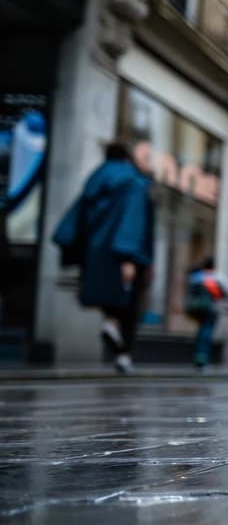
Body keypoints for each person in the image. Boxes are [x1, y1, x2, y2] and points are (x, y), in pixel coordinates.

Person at [53, 142, 155, 374]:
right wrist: (128, 256)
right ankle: (124, 354)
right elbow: (132, 217)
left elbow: (79, 217)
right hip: (124, 250)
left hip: (95, 251)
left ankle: (110, 323)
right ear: (127, 158)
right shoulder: (133, 182)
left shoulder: (95, 181)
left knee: (108, 296)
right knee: (129, 301)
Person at [185, 256, 228, 370]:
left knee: (201, 330)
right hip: (212, 309)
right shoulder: (218, 278)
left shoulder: (196, 277)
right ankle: (202, 357)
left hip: (196, 308)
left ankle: (198, 355)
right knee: (207, 331)